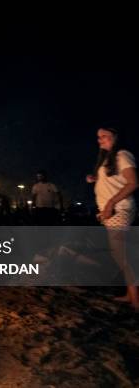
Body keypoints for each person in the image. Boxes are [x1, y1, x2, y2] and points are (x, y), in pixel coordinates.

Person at [87, 127, 138, 309]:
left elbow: (133, 183)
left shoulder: (122, 155)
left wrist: (109, 204)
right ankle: (130, 294)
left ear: (116, 137)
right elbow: (116, 181)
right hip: (112, 210)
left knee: (120, 255)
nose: (100, 140)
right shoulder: (109, 159)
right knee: (119, 254)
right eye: (98, 137)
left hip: (119, 209)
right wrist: (96, 180)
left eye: (104, 136)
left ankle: (135, 298)